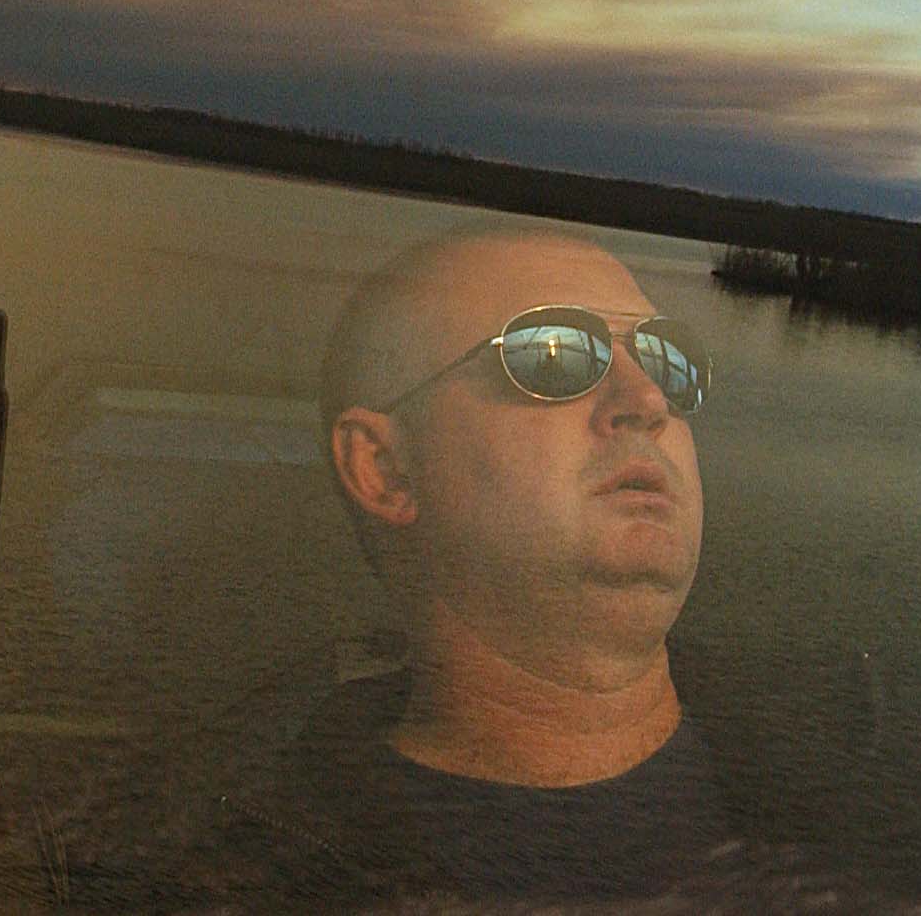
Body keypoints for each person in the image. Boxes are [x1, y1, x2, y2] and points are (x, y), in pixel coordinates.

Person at [239, 225, 729, 904]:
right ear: (385, 469)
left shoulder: (877, 752)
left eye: (665, 358)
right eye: (553, 355)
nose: (647, 401)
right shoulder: (249, 876)